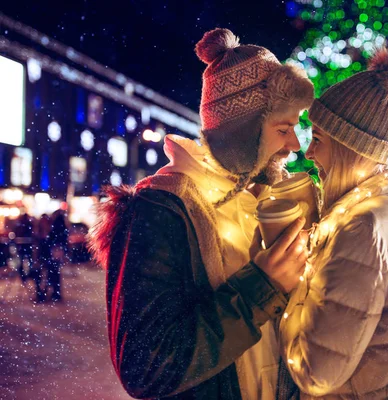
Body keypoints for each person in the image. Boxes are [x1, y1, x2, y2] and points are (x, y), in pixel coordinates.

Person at [87, 28, 314, 400]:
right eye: (283, 128)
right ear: (242, 133)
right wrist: (261, 288)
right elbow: (147, 367)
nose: (294, 145)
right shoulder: (160, 210)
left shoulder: (271, 201)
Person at [278, 47, 388, 399]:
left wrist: (284, 289)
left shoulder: (361, 228)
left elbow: (315, 373)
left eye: (319, 141)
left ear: (350, 149)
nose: (308, 153)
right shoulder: (378, 205)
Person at [46, 210, 69, 302]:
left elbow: (52, 237)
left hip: (55, 248)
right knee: (55, 270)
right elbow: (64, 237)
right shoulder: (62, 226)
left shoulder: (56, 226)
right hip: (59, 249)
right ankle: (56, 292)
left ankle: (55, 292)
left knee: (53, 270)